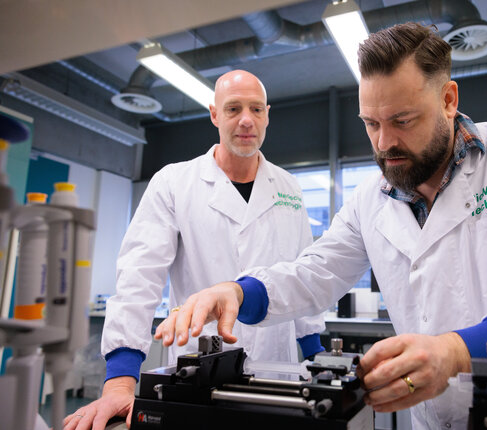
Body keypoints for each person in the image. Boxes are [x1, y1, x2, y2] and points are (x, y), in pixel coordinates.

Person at [155, 23, 487, 430]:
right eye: (371, 123)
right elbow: (314, 272)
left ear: (448, 99)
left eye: (403, 120)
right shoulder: (370, 200)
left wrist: (455, 352)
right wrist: (238, 292)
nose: (384, 143)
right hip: (437, 417)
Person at [63, 70, 325, 430]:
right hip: (199, 367)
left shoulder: (289, 187)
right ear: (215, 115)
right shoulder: (174, 183)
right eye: (233, 109)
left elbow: (302, 272)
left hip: (275, 372)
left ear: (267, 114)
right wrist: (120, 381)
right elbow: (139, 277)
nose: (246, 120)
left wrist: (318, 358)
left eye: (255, 109)